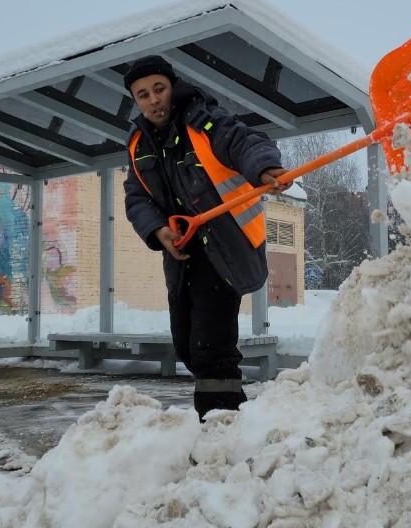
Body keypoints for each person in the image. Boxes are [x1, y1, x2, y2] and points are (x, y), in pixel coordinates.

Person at [122, 55, 292, 421]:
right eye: (142, 94)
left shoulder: (204, 121)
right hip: (182, 259)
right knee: (186, 344)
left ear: (171, 88)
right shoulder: (139, 144)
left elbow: (243, 141)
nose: (153, 100)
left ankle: (220, 423)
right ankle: (234, 414)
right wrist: (158, 230)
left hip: (222, 249)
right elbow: (136, 197)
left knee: (210, 348)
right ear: (135, 101)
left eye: (158, 89)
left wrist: (264, 167)